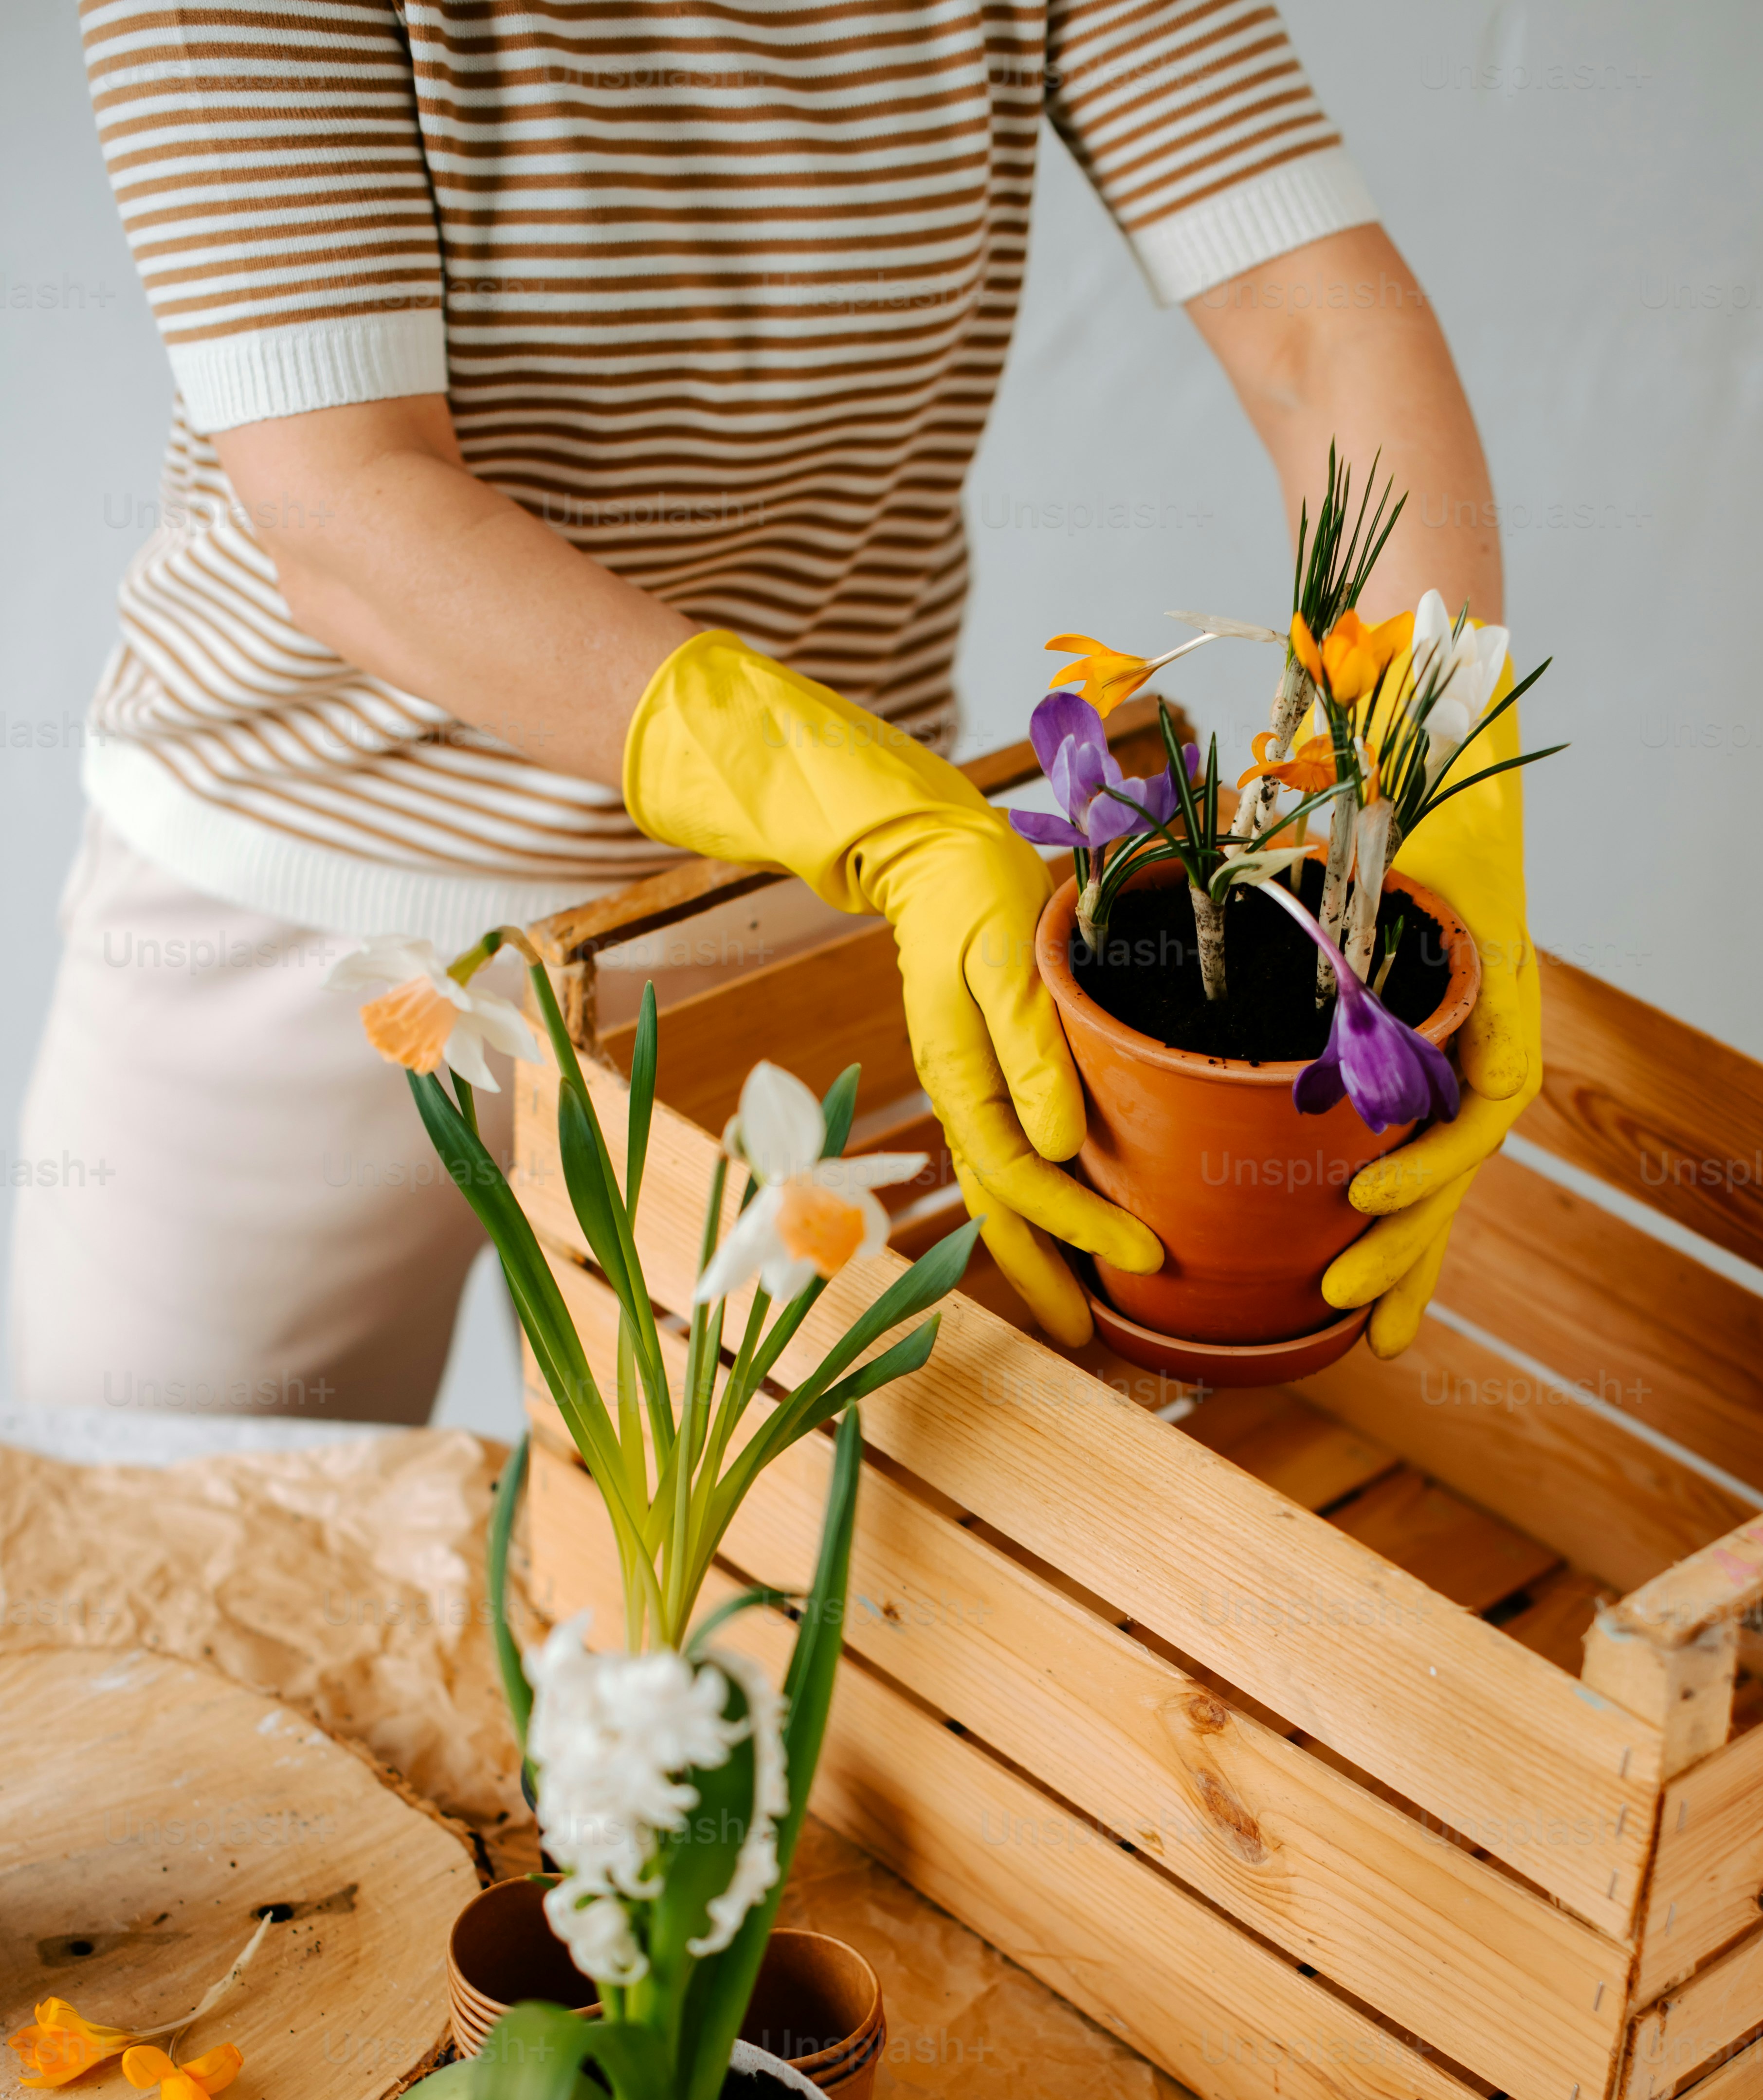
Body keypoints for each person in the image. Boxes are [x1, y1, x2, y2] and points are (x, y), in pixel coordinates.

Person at [16, 0, 1534, 1420]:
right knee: (156, 1578)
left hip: (788, 935)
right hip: (299, 925)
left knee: (751, 1635)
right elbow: (350, 508)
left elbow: (1317, 328)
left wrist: (1423, 752)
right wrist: (861, 811)